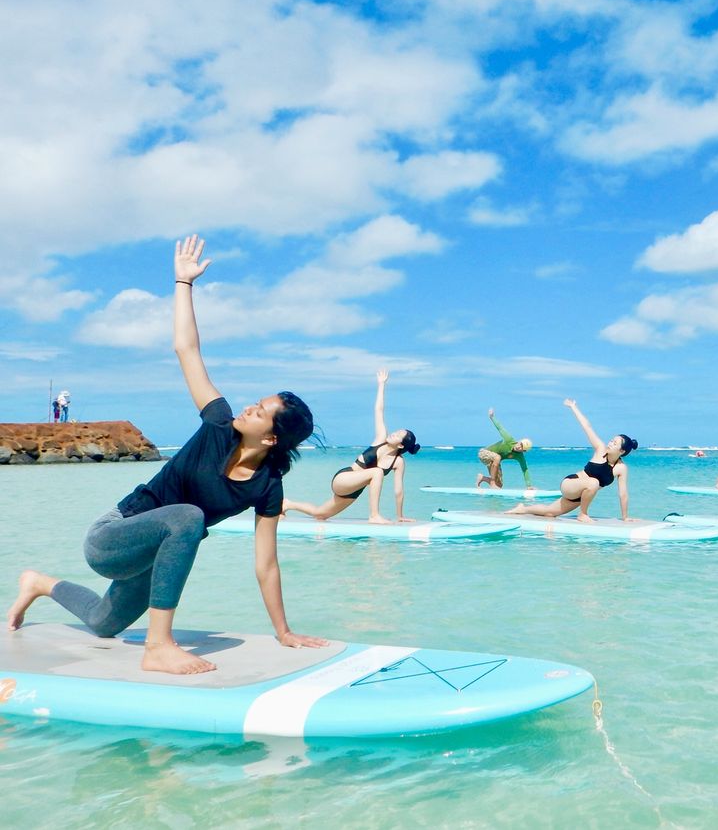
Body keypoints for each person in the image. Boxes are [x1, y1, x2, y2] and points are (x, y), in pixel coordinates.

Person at [6, 236, 326, 675]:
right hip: (112, 537)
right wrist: (183, 282)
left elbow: (266, 564)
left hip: (155, 555)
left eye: (261, 411)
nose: (249, 408)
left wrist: (284, 632)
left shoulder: (267, 486)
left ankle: (38, 583)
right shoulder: (218, 424)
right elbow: (187, 350)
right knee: (189, 517)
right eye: (255, 402)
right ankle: (158, 646)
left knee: (103, 623)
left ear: (272, 439)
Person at [283, 370, 419, 524]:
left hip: (355, 490)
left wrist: (400, 515)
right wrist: (381, 385)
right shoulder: (381, 438)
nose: (392, 433)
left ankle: (287, 504)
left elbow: (398, 490)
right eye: (395, 431)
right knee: (377, 472)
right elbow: (379, 410)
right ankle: (374, 515)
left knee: (320, 514)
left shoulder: (398, 462)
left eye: (397, 435)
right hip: (344, 479)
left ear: (401, 445)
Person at [506, 399, 636, 523]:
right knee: (594, 482)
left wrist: (625, 517)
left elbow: (623, 493)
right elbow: (587, 427)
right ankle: (583, 514)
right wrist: (574, 407)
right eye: (612, 440)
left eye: (615, 443)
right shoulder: (600, 449)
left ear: (622, 451)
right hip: (570, 484)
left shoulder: (621, 468)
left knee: (549, 512)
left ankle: (522, 508)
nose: (611, 443)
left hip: (581, 497)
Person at [475, 408, 533, 490]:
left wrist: (529, 486)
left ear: (523, 451)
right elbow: (500, 428)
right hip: (484, 453)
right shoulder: (509, 439)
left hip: (494, 462)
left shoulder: (520, 456)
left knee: (499, 485)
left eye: (521, 448)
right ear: (519, 441)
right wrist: (492, 417)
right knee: (497, 457)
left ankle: (482, 478)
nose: (519, 447)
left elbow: (525, 469)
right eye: (520, 444)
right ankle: (492, 483)